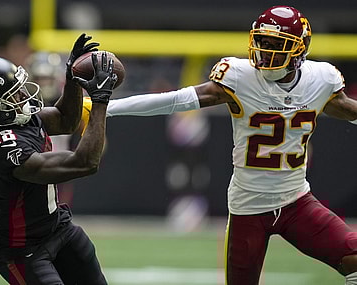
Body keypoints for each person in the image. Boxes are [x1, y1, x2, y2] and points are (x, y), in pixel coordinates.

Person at [98, 5, 357, 285]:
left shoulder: (321, 80)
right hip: (248, 208)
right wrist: (106, 107)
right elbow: (175, 100)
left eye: (277, 45)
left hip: (297, 202)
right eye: (262, 42)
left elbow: (348, 109)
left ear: (299, 50)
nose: (266, 52)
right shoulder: (239, 77)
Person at [0, 34, 117, 285]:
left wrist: (72, 78)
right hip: (22, 249)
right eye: (13, 94)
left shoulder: (11, 118)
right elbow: (85, 162)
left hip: (57, 227)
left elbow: (66, 119)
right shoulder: (4, 148)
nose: (22, 95)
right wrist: (100, 101)